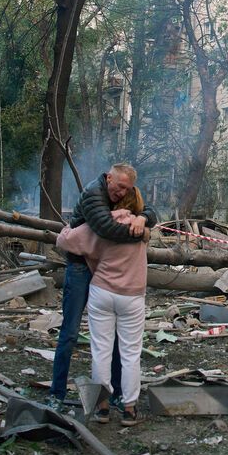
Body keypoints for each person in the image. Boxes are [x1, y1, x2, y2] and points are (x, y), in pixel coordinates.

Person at [47, 163, 157, 412]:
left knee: (109, 343)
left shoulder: (123, 201)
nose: (121, 193)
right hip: (80, 266)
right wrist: (141, 232)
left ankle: (112, 397)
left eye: (126, 190)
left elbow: (149, 209)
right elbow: (105, 230)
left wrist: (142, 218)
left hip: (102, 272)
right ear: (109, 178)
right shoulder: (93, 195)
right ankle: (57, 393)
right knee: (71, 332)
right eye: (119, 187)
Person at [84, 207, 150, 426]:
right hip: (132, 295)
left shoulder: (101, 222)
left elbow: (66, 240)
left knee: (100, 351)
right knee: (131, 353)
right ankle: (129, 409)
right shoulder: (141, 227)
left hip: (102, 291)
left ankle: (102, 408)